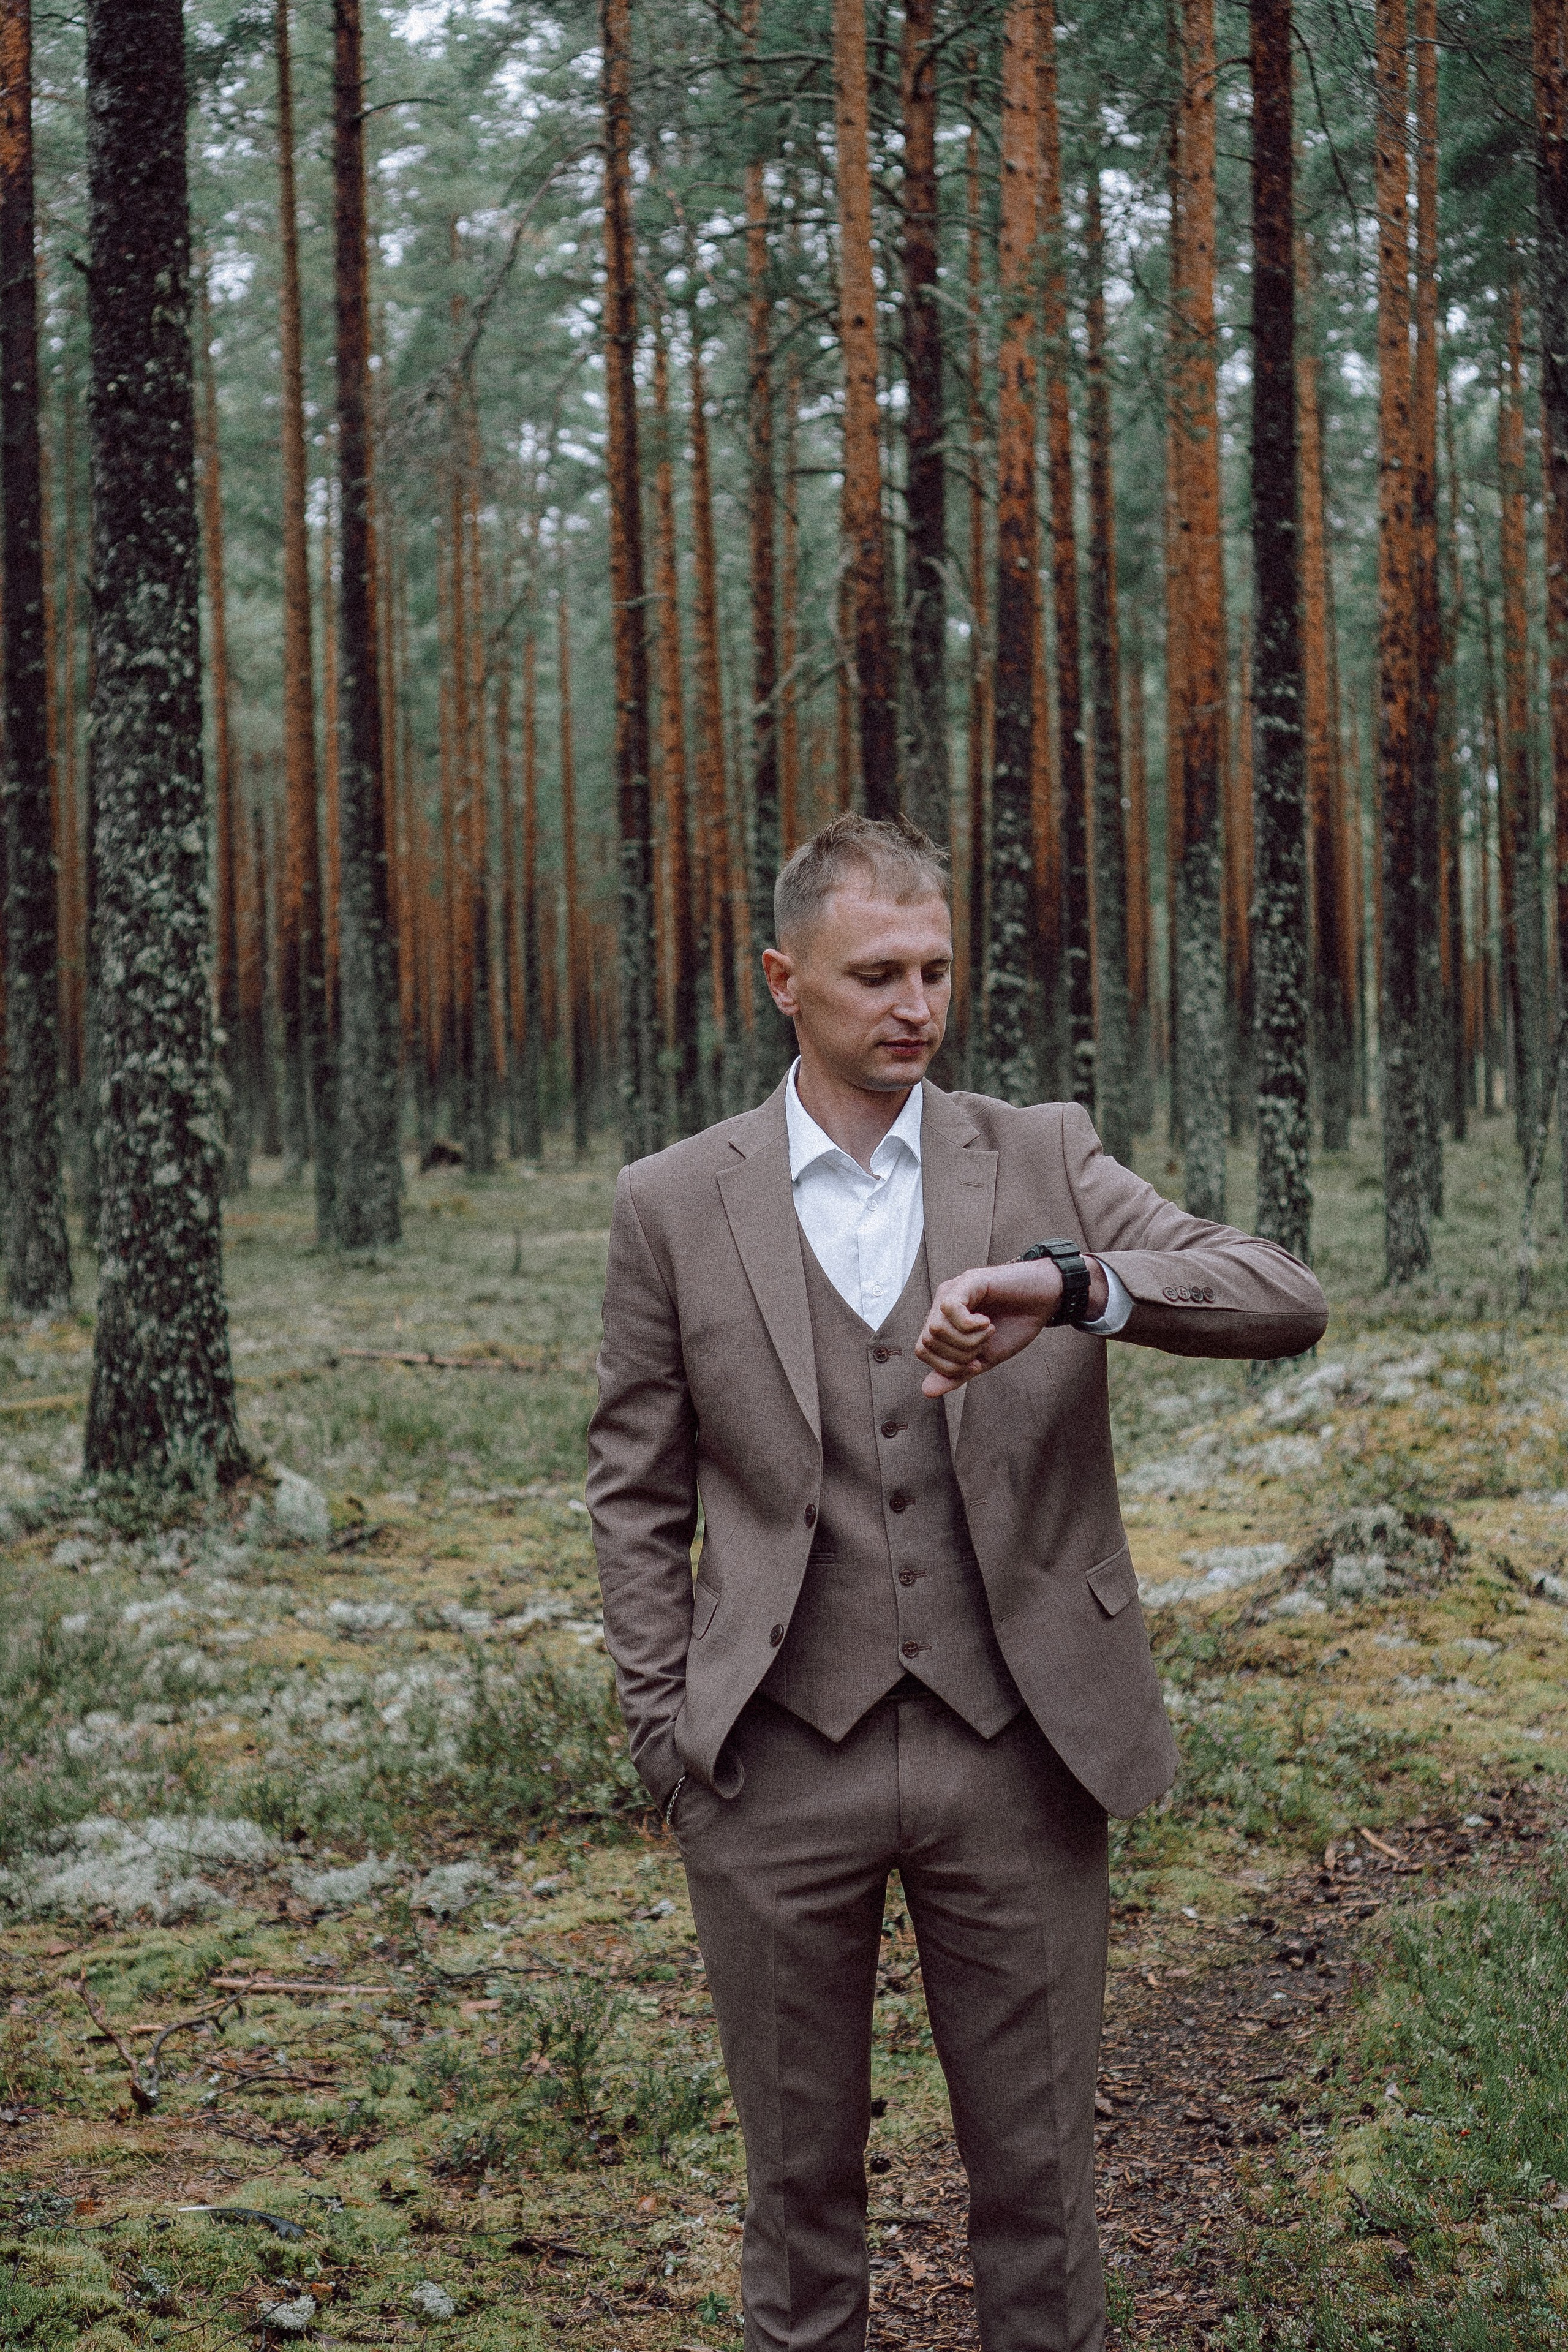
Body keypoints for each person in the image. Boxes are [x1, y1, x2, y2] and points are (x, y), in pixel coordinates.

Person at [587, 813, 1327, 2352]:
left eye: (934, 969)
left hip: (1019, 1750)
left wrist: (1072, 1288)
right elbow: (636, 1486)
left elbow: (1278, 1294)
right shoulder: (671, 1202)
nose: (914, 1004)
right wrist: (670, 1737)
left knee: (1039, 2194)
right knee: (796, 2206)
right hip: (774, 1761)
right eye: (874, 975)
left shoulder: (1039, 1154)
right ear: (783, 980)